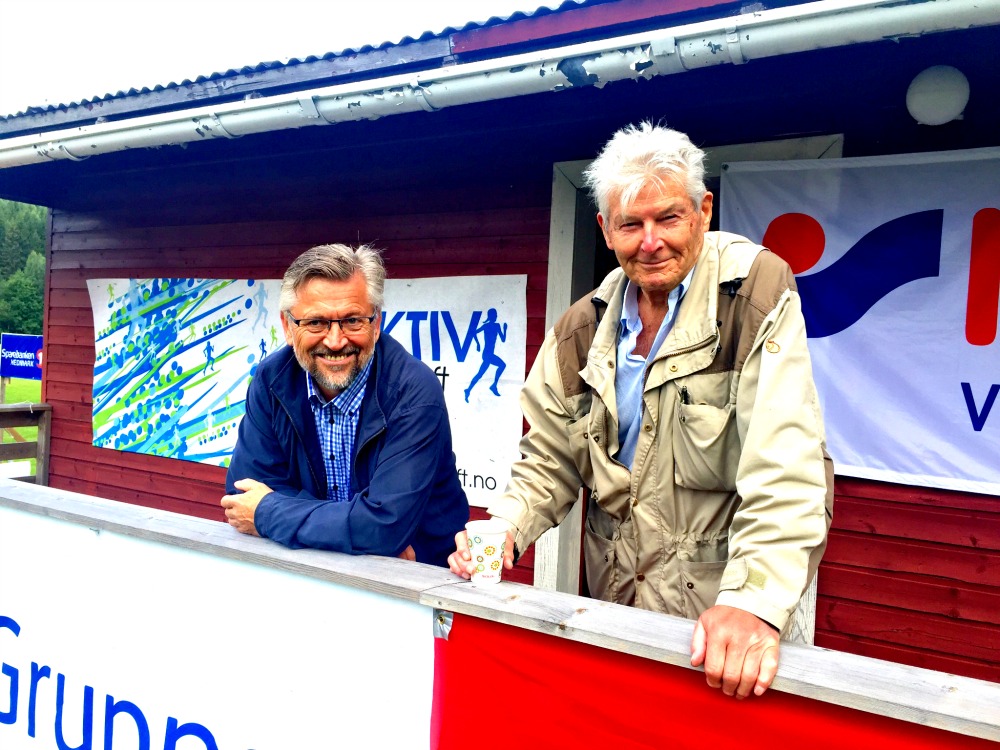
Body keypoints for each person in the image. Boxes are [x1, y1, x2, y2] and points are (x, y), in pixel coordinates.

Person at [449, 122, 833, 698]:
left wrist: (752, 603)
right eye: (631, 224)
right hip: (617, 601)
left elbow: (785, 464)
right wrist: (506, 526)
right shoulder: (580, 329)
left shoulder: (752, 293)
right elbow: (550, 459)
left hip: (725, 622)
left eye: (668, 218)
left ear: (703, 211)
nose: (650, 242)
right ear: (605, 229)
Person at [222, 243, 469, 567]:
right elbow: (243, 494)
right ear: (288, 326)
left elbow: (385, 526)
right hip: (313, 572)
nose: (336, 341)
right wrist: (360, 535)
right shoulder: (272, 380)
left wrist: (268, 511)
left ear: (376, 323)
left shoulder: (414, 392)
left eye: (352, 320)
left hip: (417, 579)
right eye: (316, 322)